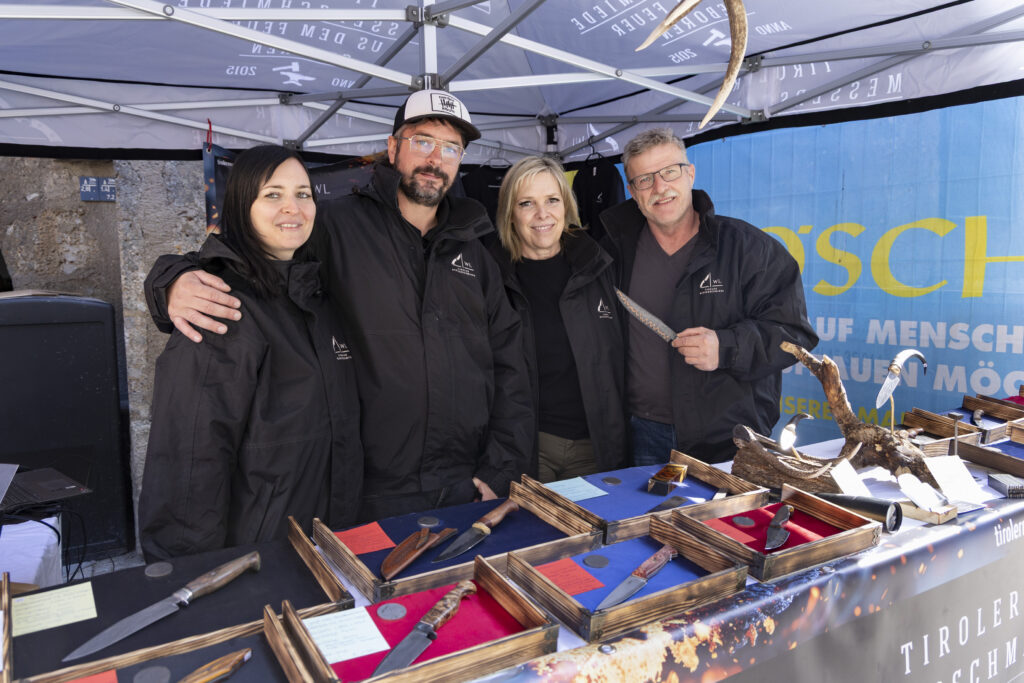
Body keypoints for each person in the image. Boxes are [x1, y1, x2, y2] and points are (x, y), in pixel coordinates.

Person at [144, 90, 534, 522]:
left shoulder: (476, 249)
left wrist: (500, 469)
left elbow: (510, 365)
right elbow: (248, 260)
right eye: (423, 141)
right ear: (393, 148)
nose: (435, 159)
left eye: (450, 148)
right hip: (368, 493)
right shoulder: (335, 225)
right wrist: (171, 280)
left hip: (466, 488)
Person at [139, 145, 363, 560]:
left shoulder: (316, 296)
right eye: (273, 194)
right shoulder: (220, 305)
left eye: (303, 194)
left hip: (323, 545)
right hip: (256, 556)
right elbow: (188, 461)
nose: (293, 207)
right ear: (242, 206)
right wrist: (189, 573)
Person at [600, 128, 818, 465]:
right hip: (642, 434)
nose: (660, 187)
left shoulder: (749, 248)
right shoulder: (612, 251)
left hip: (728, 437)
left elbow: (795, 335)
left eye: (669, 172)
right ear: (632, 191)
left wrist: (726, 347)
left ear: (690, 173)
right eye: (644, 179)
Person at [490, 156, 626, 482]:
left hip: (595, 447)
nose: (542, 214)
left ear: (566, 206)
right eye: (526, 203)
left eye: (552, 200)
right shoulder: (491, 278)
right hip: (529, 448)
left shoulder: (600, 266)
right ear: (510, 213)